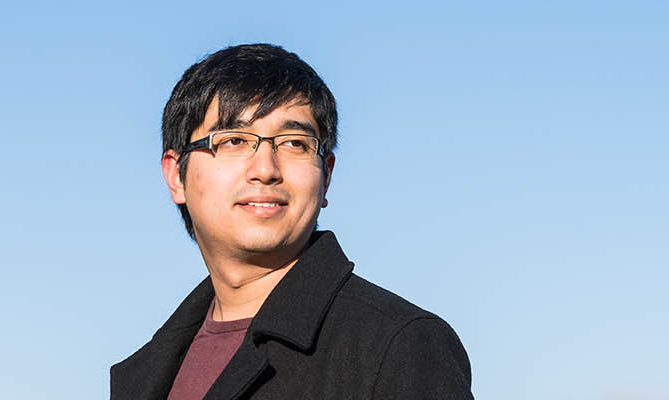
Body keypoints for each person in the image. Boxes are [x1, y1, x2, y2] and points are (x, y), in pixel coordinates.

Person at [110, 44, 472, 399]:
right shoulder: (147, 371)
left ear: (325, 176)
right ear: (177, 177)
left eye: (294, 143)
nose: (265, 170)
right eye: (234, 140)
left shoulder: (398, 346)